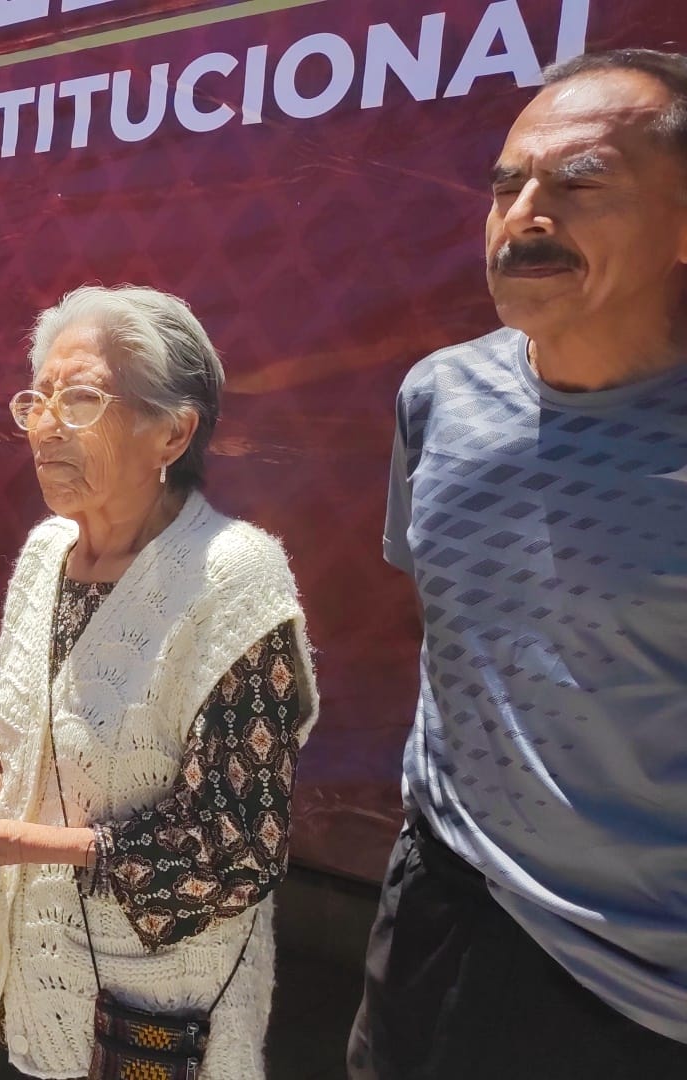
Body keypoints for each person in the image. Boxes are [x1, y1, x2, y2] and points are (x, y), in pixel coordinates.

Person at [0, 285, 319, 1080]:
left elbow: (239, 848)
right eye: (37, 400)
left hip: (150, 1014)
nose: (46, 426)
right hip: (24, 982)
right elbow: (11, 728)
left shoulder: (234, 582)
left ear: (173, 431)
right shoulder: (47, 554)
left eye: (79, 399)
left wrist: (21, 845)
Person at [348, 49, 687, 1078]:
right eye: (506, 183)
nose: (525, 214)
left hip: (634, 991)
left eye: (581, 182)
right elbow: (463, 637)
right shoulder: (440, 398)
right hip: (438, 906)